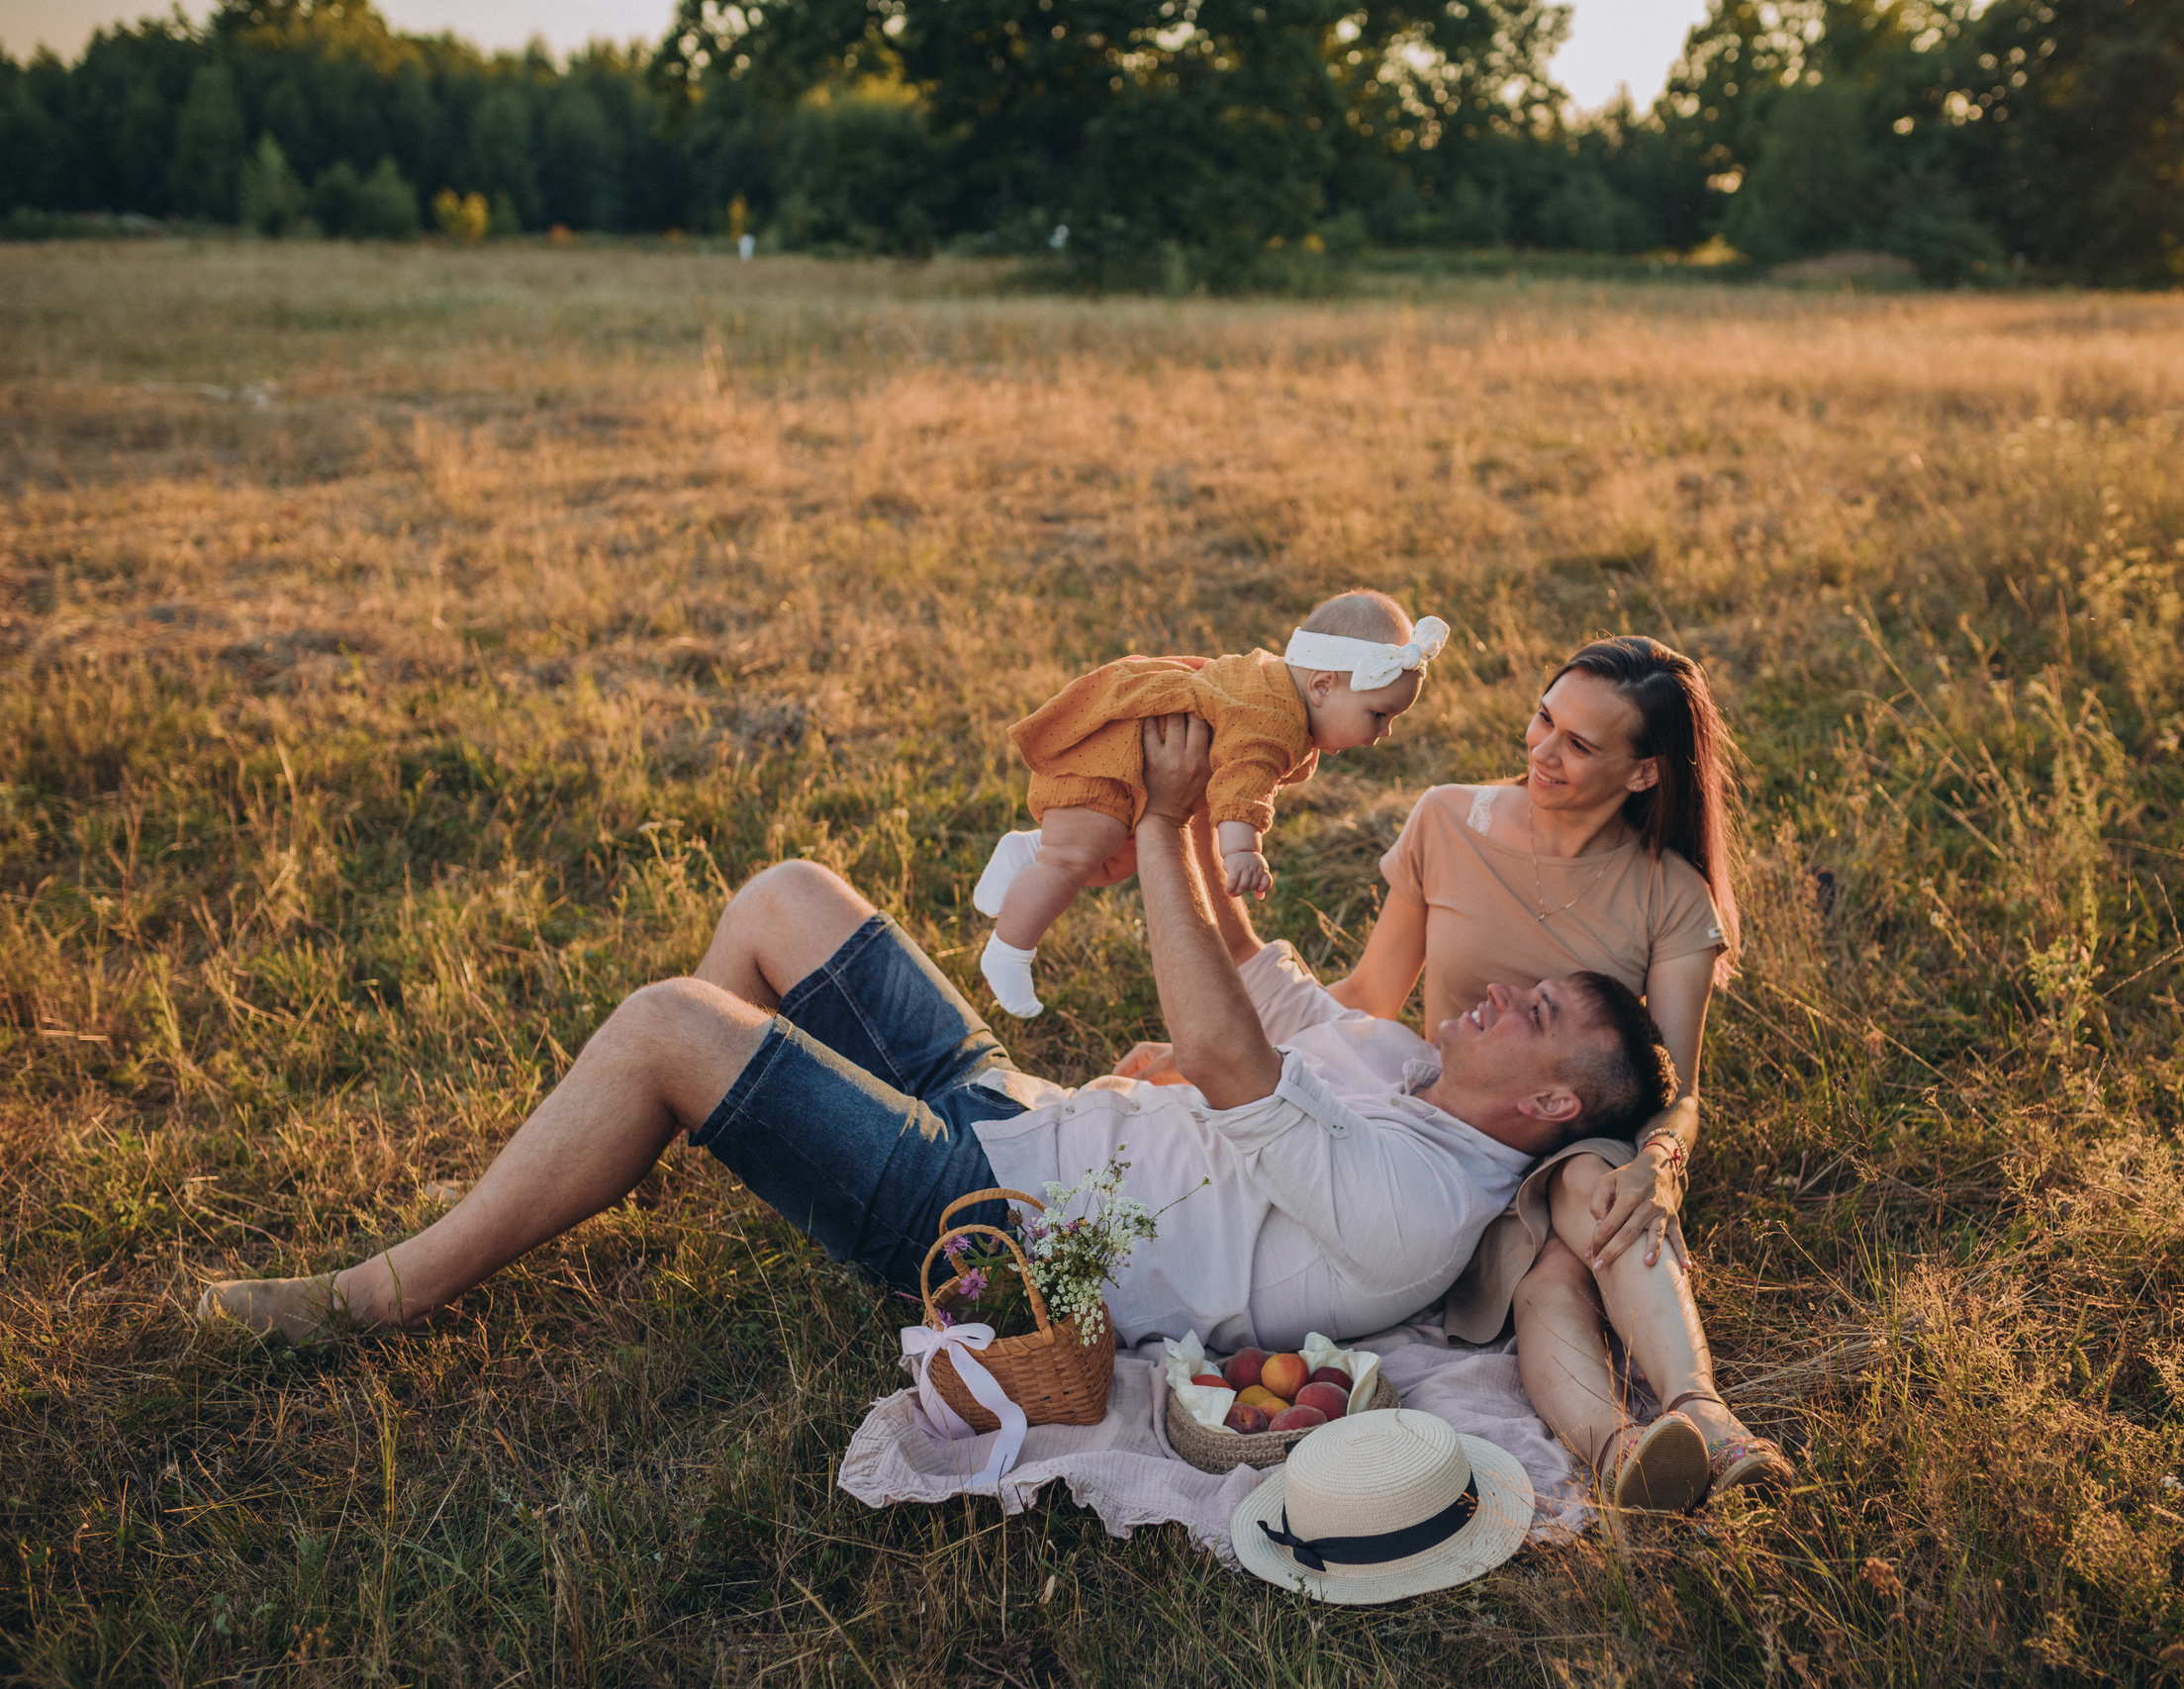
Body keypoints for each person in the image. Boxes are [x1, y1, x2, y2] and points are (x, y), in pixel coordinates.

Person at [196, 715, 1672, 1361]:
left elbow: (1226, 1058)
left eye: (1529, 1011)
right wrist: (1212, 802)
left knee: (669, 1022)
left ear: (1549, 1100)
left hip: (993, 1225)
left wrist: (1159, 828)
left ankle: (374, 1297)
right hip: (1017, 1107)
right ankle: (667, 1133)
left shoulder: (1428, 1203)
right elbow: (1260, 982)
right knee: (787, 896)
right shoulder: (1405, 1068)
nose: (1489, 992)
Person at [1118, 635, 1791, 1511]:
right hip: (1463, 1135)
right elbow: (1367, 996)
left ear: (1643, 774)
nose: (1543, 751)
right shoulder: (1446, 819)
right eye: (1545, 719)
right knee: (1547, 1277)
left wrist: (1656, 1168)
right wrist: (1233, 1056)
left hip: (1583, 1138)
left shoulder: (1671, 894)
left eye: (1581, 744)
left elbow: (1674, 1084)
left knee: (1577, 1209)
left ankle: (1706, 1416)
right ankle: (1621, 1448)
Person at [971, 590, 1448, 1017]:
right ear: (1322, 686)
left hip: (1142, 756)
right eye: (1379, 715)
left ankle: (1025, 852)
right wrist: (1242, 851)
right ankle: (1009, 950)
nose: (1382, 735)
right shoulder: (1276, 720)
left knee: (1112, 861)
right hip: (1118, 752)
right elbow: (1244, 784)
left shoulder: (1277, 688)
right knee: (1073, 857)